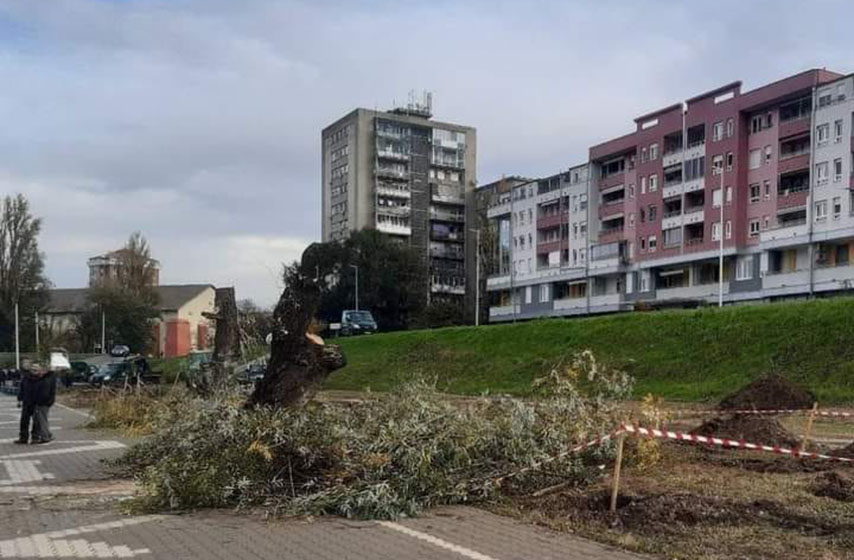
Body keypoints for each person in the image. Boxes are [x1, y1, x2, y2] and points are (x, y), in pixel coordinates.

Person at [16, 361, 56, 445]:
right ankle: (23, 437)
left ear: (40, 370)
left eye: (36, 368)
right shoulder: (26, 378)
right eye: (33, 368)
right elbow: (22, 389)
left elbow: (50, 391)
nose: (34, 370)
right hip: (27, 402)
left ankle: (35, 437)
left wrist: (48, 402)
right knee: (24, 421)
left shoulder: (43, 379)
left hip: (37, 403)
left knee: (37, 421)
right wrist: (19, 399)